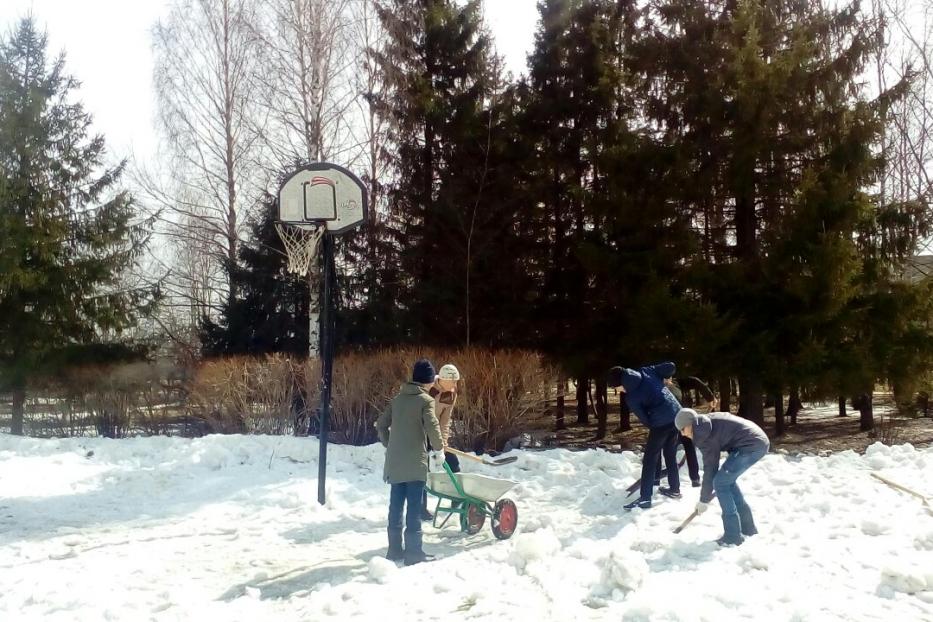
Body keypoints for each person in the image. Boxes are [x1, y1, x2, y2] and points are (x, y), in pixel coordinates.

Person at [376, 359, 444, 565]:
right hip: (415, 462)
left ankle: (395, 550)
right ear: (428, 381)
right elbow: (432, 426)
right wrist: (439, 449)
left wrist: (390, 445)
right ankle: (414, 553)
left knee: (396, 505)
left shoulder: (398, 399)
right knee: (414, 506)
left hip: (395, 463)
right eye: (432, 380)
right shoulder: (425, 401)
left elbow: (380, 425)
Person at [674, 408, 770, 546]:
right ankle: (748, 528)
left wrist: (703, 500)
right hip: (755, 441)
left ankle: (733, 536)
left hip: (751, 445)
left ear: (690, 424)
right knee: (726, 481)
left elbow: (710, 468)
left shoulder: (703, 434)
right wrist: (704, 498)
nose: (683, 434)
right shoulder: (704, 424)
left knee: (720, 483)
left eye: (683, 429)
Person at [607, 362, 682, 510]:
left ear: (620, 383)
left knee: (649, 460)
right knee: (670, 453)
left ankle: (645, 499)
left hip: (661, 422)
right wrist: (666, 377)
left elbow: (645, 419)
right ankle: (674, 489)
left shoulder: (632, 397)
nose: (619, 391)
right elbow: (671, 366)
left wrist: (656, 427)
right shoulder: (646, 371)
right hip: (677, 414)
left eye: (617, 388)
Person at [658, 375, 719, 487]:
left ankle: (692, 479)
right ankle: (661, 479)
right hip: (674, 422)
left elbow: (695, 381)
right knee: (673, 450)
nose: (667, 381)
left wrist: (710, 397)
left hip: (683, 422)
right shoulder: (659, 387)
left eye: (669, 378)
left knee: (684, 448)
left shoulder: (678, 383)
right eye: (665, 379)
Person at [421, 363, 462, 520]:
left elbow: (445, 421)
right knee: (422, 470)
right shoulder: (428, 389)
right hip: (421, 433)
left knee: (453, 462)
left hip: (436, 433)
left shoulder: (451, 393)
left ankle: (456, 498)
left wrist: (443, 442)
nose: (455, 385)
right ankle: (420, 509)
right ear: (443, 379)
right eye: (453, 381)